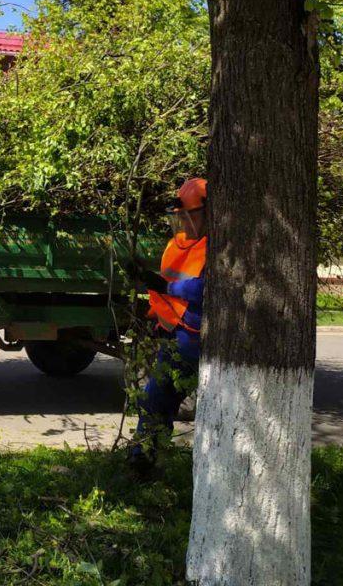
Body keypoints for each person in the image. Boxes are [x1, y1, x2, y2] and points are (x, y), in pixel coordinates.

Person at [123, 177, 207, 476]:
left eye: (189, 217)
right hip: (173, 333)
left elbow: (202, 290)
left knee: (157, 398)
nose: (184, 224)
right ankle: (144, 459)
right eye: (180, 218)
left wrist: (163, 286)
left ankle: (144, 459)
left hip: (192, 337)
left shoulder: (216, 248)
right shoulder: (176, 244)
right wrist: (149, 283)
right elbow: (168, 282)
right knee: (155, 400)